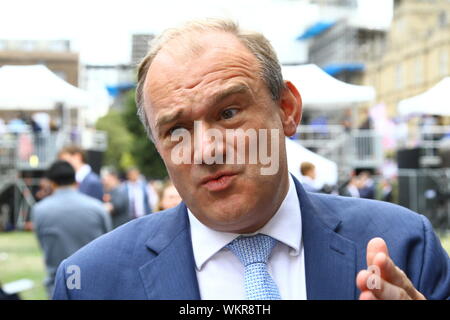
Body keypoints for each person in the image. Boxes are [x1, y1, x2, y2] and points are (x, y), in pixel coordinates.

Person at [53, 19, 450, 300]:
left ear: (287, 109)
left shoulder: (405, 247)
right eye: (177, 130)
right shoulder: (92, 283)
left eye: (228, 113)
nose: (207, 149)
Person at [32, 160, 111, 298]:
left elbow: (43, 245)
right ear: (75, 180)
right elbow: (109, 242)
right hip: (94, 284)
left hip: (57, 285)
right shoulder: (97, 208)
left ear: (51, 182)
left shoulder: (39, 210)